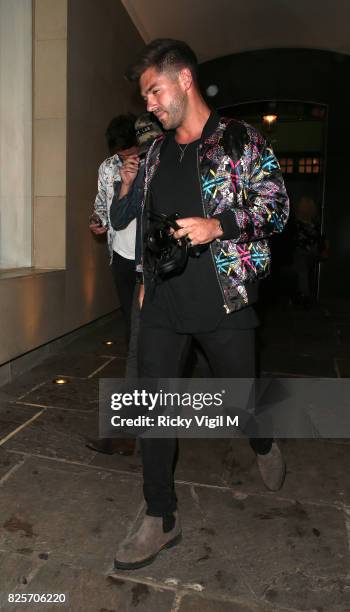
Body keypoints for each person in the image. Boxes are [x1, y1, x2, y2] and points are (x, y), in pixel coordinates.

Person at [114, 39, 290, 570]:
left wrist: (220, 226)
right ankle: (160, 516)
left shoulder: (239, 140)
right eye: (145, 94)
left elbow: (276, 207)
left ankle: (261, 438)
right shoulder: (156, 155)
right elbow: (145, 224)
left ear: (184, 80)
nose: (148, 103)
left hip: (223, 299)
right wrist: (145, 276)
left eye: (154, 90)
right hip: (164, 302)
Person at [87, 114, 139, 456]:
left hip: (155, 262)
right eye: (120, 155)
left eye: (130, 152)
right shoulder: (109, 168)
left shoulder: (159, 158)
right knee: (136, 338)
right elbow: (104, 209)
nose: (125, 159)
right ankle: (127, 431)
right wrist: (97, 221)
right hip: (122, 258)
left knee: (143, 343)